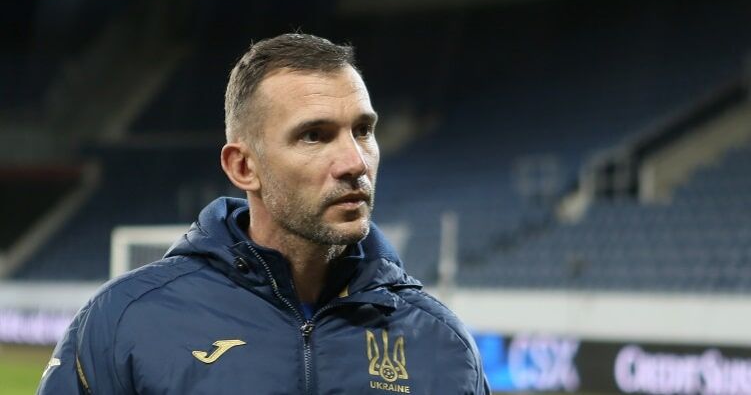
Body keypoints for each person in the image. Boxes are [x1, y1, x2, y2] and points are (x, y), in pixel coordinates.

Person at [38, 33, 490, 394]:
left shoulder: (440, 343)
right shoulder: (125, 320)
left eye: (363, 130)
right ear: (243, 167)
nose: (355, 162)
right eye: (314, 135)